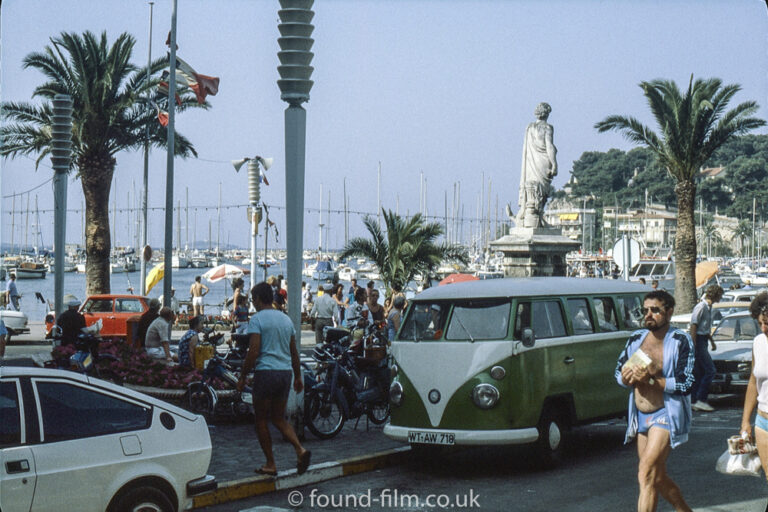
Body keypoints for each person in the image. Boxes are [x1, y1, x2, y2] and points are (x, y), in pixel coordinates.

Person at [615, 289, 694, 512]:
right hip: (640, 416)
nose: (648, 315)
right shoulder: (636, 339)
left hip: (665, 414)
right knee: (656, 477)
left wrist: (652, 380)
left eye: (655, 310)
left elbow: (686, 383)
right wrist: (625, 377)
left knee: (645, 473)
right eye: (645, 310)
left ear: (669, 312)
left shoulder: (680, 340)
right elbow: (618, 372)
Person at [236, 282, 311, 476]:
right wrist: (298, 377)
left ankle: (270, 463)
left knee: (261, 419)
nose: (253, 303)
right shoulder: (286, 320)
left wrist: (243, 376)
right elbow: (294, 353)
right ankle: (299, 449)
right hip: (285, 374)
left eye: (253, 299)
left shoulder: (257, 319)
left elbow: (253, 351)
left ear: (259, 299)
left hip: (266, 372)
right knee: (278, 418)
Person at [740, 292, 768, 482]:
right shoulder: (758, 343)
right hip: (763, 421)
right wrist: (745, 421)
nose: (764, 328)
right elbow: (753, 381)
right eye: (760, 323)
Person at [517, 102, 557, 228]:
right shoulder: (547, 128)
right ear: (547, 114)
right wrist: (554, 164)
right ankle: (537, 217)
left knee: (533, 188)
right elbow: (549, 146)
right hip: (543, 161)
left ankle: (537, 217)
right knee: (542, 189)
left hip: (530, 162)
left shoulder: (529, 127)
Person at [689, 284, 723, 412]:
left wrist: (712, 342)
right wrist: (693, 344)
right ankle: (701, 399)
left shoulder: (708, 308)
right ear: (715, 295)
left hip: (703, 340)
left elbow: (705, 327)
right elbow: (694, 325)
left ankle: (694, 400)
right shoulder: (701, 307)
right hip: (698, 340)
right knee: (710, 370)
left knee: (699, 372)